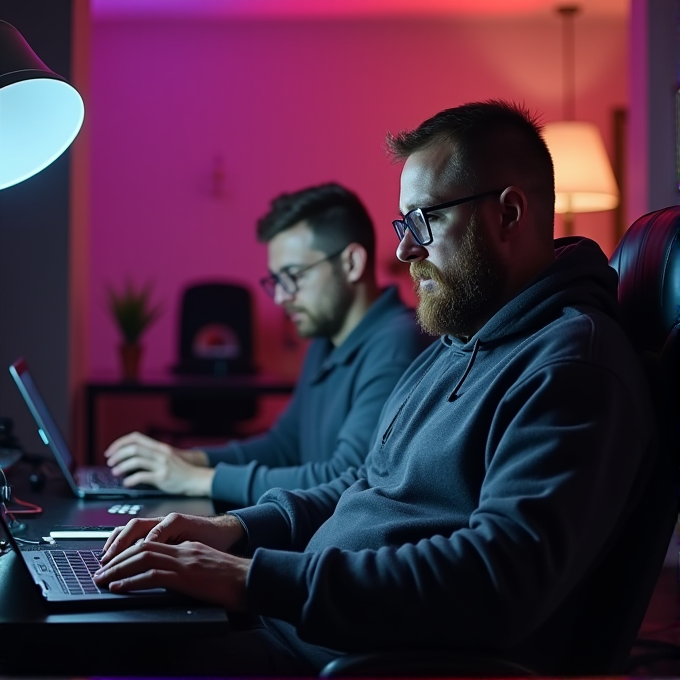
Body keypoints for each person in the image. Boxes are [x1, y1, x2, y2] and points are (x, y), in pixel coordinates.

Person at [93, 100, 656, 677]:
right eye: (402, 224)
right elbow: (362, 481)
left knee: (108, 657)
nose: (404, 250)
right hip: (299, 631)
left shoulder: (572, 368)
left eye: (424, 220)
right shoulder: (458, 341)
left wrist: (249, 578)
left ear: (509, 213)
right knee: (105, 631)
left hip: (353, 660)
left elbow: (494, 580)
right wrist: (233, 530)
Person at [103, 182, 430, 506]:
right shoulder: (326, 341)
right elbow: (283, 446)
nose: (280, 297)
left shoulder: (397, 343)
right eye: (275, 281)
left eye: (293, 275)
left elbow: (349, 477)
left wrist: (200, 480)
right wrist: (188, 459)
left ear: (351, 264)